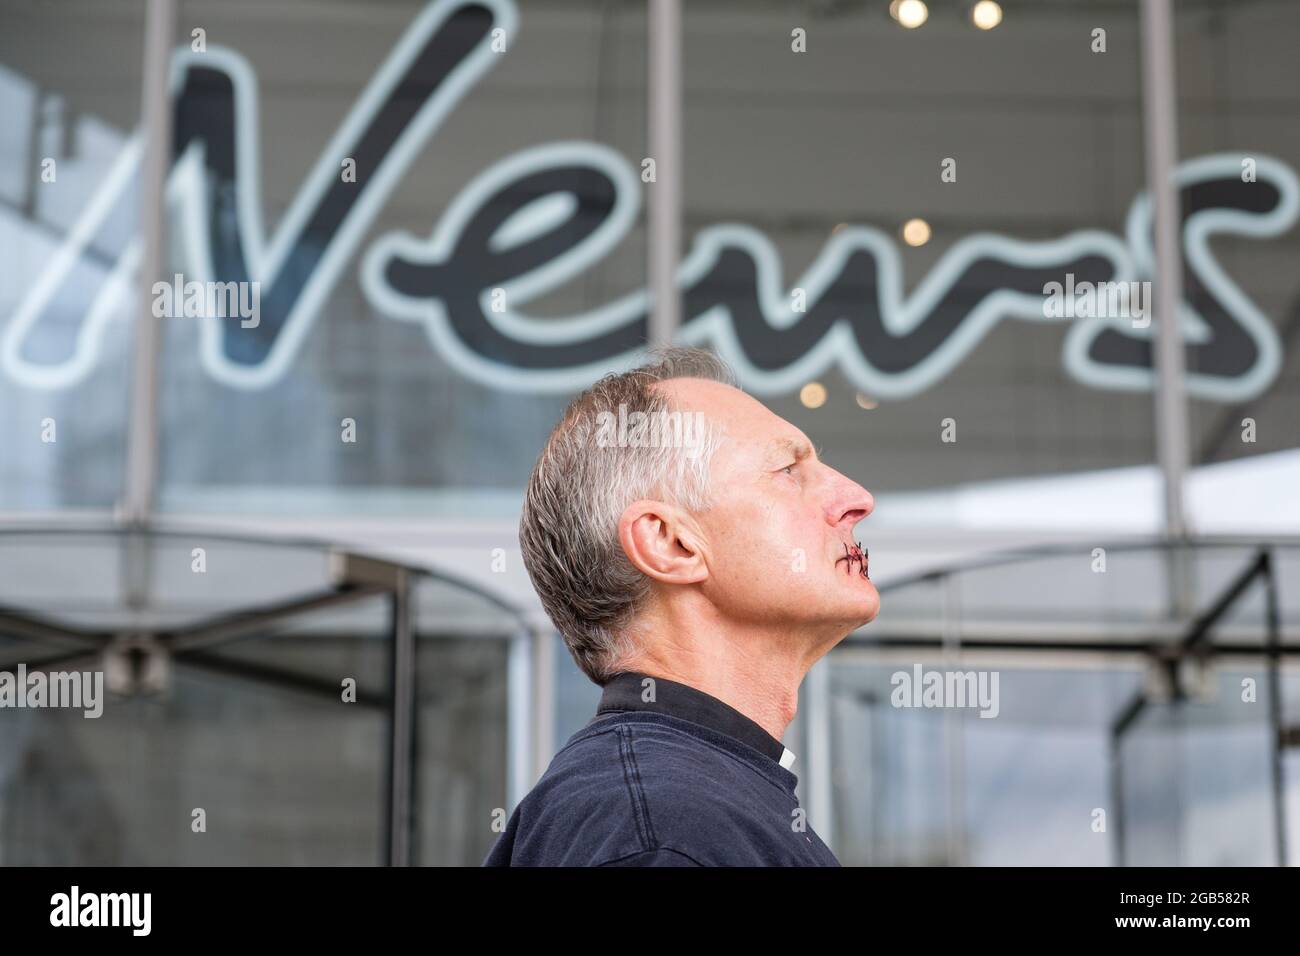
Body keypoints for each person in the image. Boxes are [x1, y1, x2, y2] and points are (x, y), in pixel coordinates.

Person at [484, 347, 877, 866]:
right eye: (788, 470)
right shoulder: (659, 832)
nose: (856, 497)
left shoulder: (672, 812)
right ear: (671, 544)